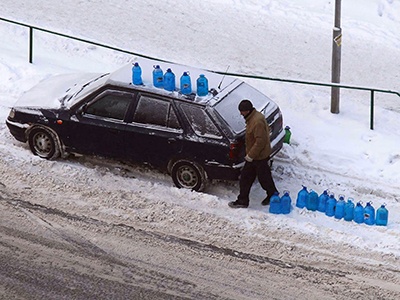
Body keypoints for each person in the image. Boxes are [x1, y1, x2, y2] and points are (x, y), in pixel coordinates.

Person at [228, 99, 278, 208]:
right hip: (258, 155)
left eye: (242, 111)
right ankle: (270, 194)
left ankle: (270, 195)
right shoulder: (254, 117)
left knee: (258, 178)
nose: (241, 114)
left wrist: (250, 156)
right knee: (254, 178)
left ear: (247, 110)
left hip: (258, 157)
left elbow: (260, 141)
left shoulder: (256, 121)